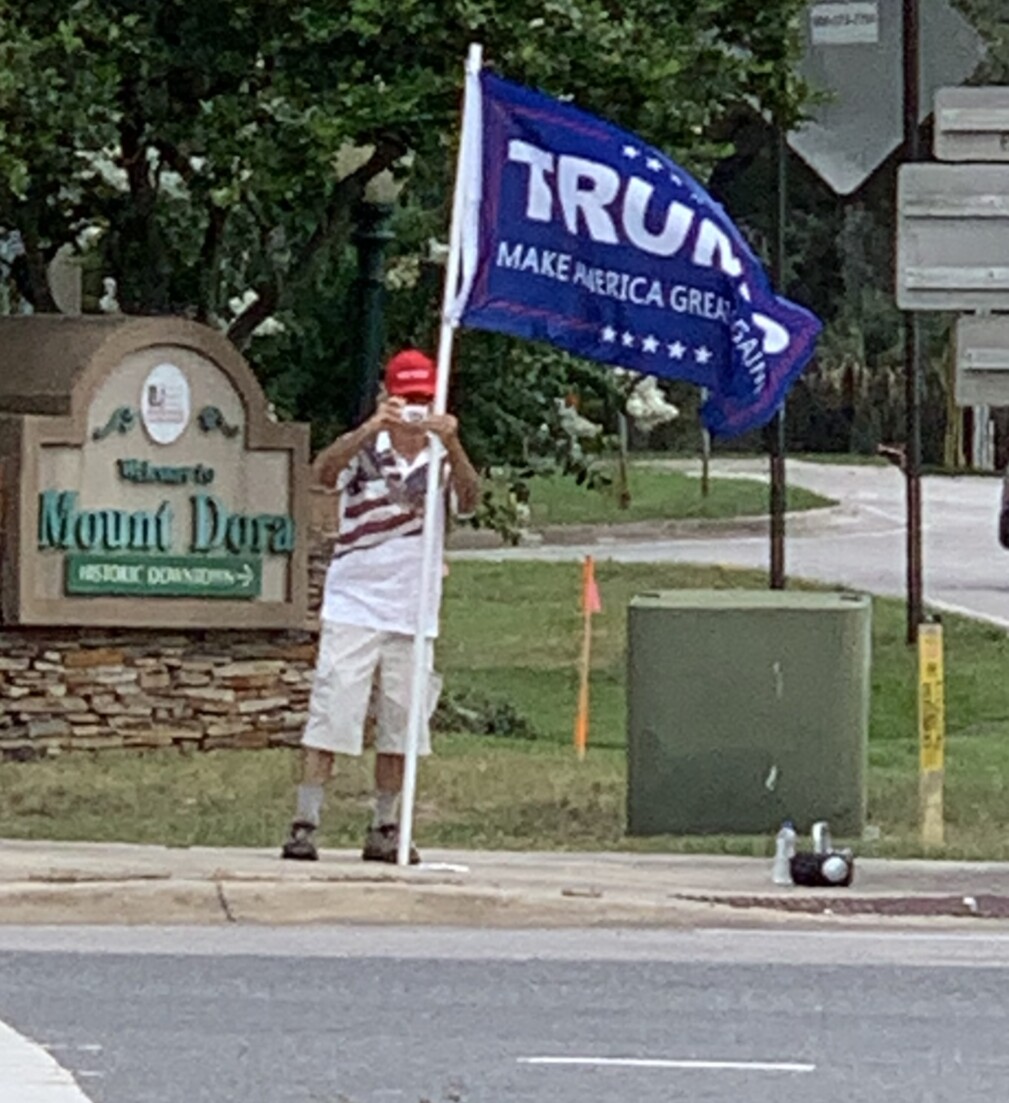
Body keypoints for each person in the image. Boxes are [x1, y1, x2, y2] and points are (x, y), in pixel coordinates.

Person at [281, 348, 480, 863]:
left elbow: (471, 498)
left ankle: (387, 825)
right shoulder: (367, 451)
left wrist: (453, 443)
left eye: (421, 398)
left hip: (412, 610)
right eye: (404, 397)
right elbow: (323, 474)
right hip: (354, 603)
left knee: (401, 723)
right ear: (386, 396)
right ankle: (306, 822)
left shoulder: (439, 459)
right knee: (332, 713)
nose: (413, 407)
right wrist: (370, 428)